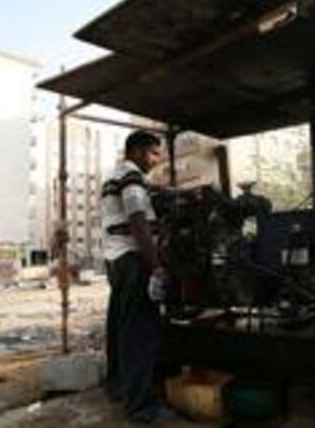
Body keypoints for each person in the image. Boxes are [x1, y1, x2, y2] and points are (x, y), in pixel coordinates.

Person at [101, 130, 173, 424]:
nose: (157, 161)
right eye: (155, 153)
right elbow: (137, 218)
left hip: (115, 260)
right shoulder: (131, 177)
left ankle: (118, 387)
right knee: (139, 335)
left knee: (120, 328)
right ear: (140, 151)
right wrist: (155, 265)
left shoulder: (113, 175)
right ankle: (142, 406)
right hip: (133, 260)